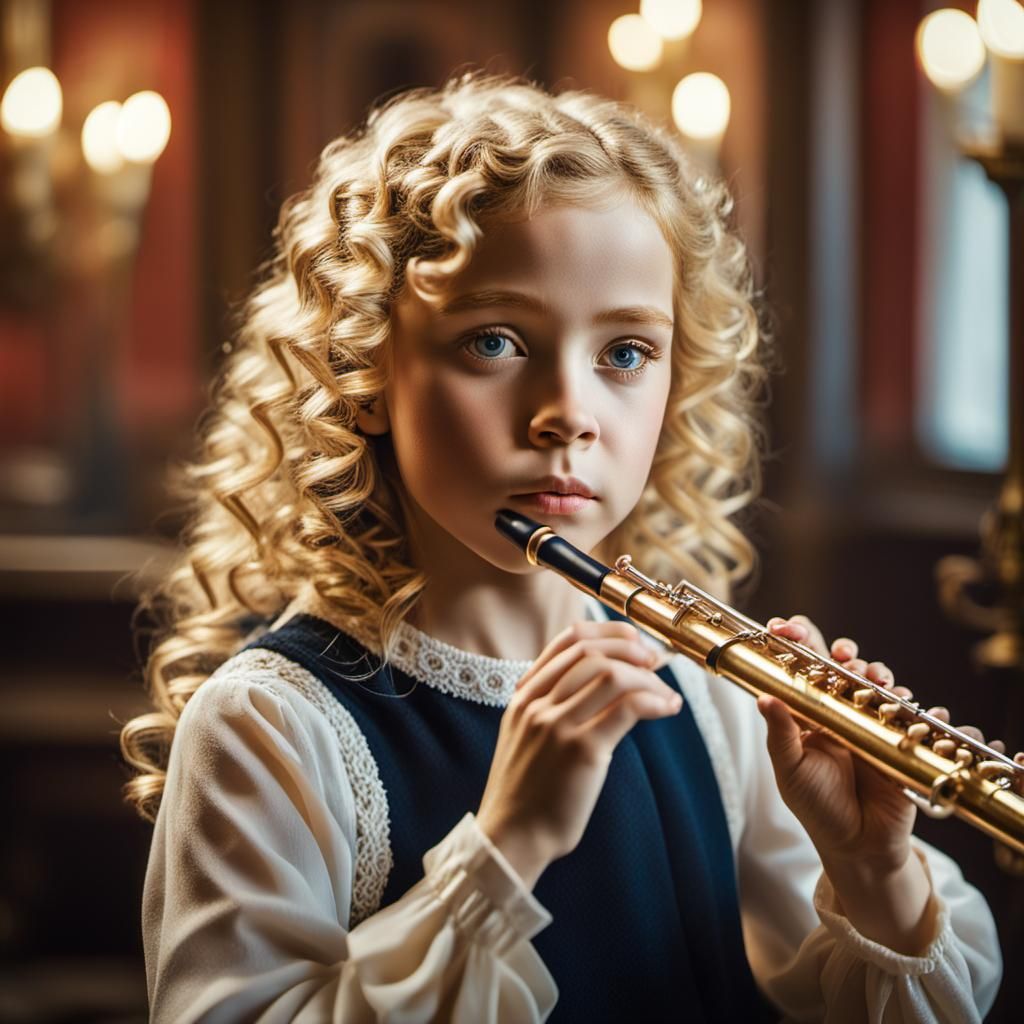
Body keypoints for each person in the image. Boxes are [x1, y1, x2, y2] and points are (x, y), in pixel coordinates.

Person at [121, 70, 1007, 1022]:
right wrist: (505, 852)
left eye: (624, 353)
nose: (568, 415)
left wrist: (873, 872)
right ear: (365, 371)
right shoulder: (271, 723)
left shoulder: (711, 699)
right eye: (494, 342)